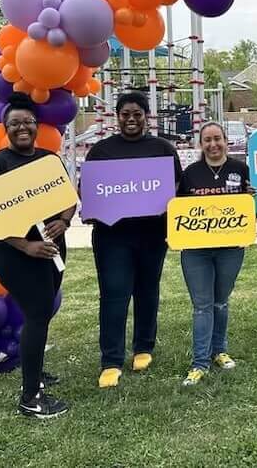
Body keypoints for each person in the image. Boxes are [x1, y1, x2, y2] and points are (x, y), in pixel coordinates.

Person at [0, 92, 76, 418]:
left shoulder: (49, 160)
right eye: (15, 122)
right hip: (15, 254)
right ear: (5, 127)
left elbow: (68, 198)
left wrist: (63, 220)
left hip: (51, 249)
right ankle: (30, 398)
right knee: (37, 313)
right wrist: (26, 246)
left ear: (36, 126)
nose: (22, 127)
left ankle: (32, 371)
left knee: (41, 314)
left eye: (28, 122)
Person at [85, 90, 182, 388]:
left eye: (137, 114)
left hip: (153, 234)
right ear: (117, 117)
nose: (131, 119)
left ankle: (143, 347)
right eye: (125, 114)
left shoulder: (163, 149)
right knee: (114, 294)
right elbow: (88, 193)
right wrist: (90, 209)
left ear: (145, 117)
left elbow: (177, 189)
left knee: (147, 290)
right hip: (112, 237)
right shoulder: (100, 151)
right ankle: (111, 359)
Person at [177, 122, 253, 387]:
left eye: (217, 139)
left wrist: (252, 197)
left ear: (225, 141)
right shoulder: (190, 173)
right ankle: (199, 362)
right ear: (201, 144)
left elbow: (252, 206)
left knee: (220, 302)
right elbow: (176, 210)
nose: (213, 144)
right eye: (207, 140)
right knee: (202, 306)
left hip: (230, 248)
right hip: (196, 250)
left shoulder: (241, 170)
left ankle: (219, 350)